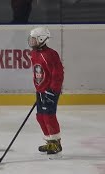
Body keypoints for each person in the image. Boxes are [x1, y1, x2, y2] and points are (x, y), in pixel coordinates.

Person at [28, 27, 64, 155]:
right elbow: (38, 73)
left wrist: (52, 91)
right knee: (40, 117)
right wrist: (39, 89)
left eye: (34, 39)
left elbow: (58, 73)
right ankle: (49, 141)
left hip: (50, 92)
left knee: (49, 116)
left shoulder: (51, 54)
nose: (31, 42)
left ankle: (56, 144)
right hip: (41, 91)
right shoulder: (33, 54)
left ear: (41, 39)